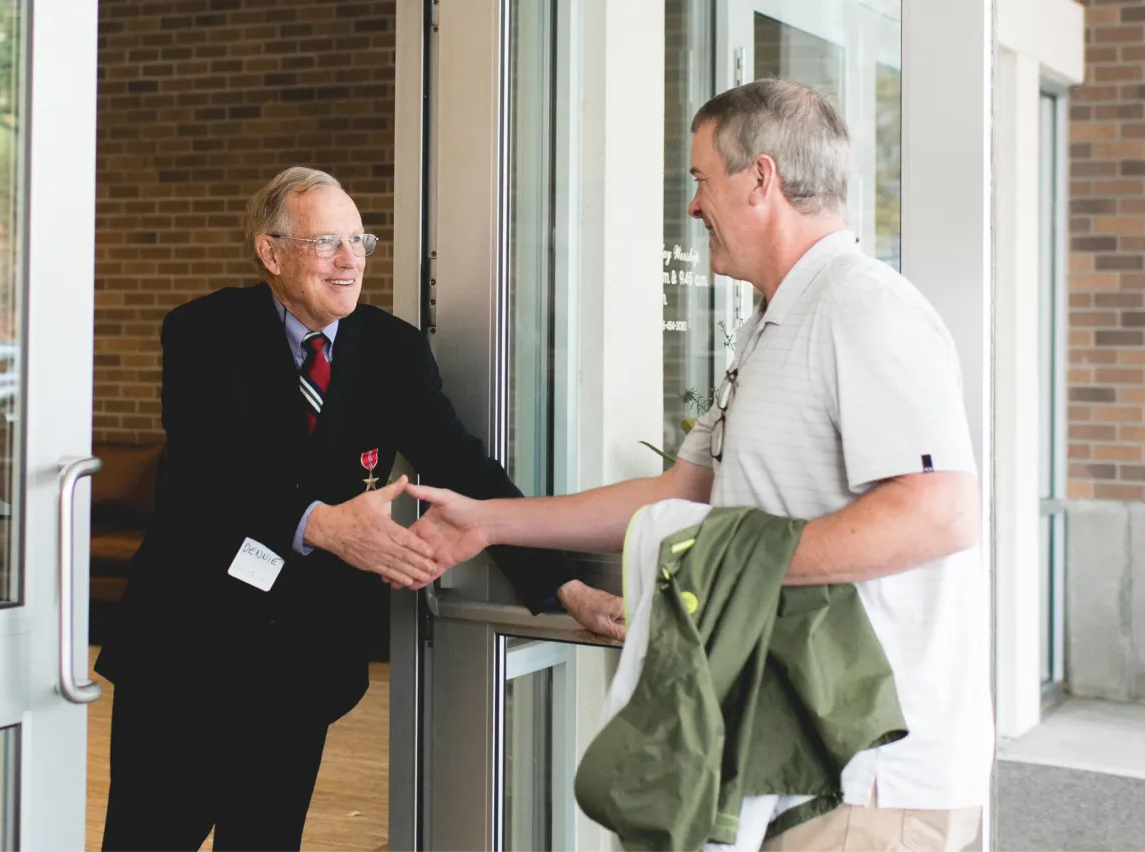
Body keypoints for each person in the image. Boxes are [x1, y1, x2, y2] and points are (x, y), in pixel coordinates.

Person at [410, 79, 992, 851]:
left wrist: (714, 567)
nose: (691, 206)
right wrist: (487, 521)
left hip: (872, 775)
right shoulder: (771, 325)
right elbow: (680, 493)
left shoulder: (864, 307)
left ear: (761, 179)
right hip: (787, 757)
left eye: (699, 179)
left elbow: (939, 512)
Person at [94, 166, 624, 851]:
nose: (351, 262)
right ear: (271, 252)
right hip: (185, 656)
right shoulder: (202, 333)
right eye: (326, 244)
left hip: (297, 665)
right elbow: (199, 484)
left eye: (359, 241)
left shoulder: (391, 349)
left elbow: (464, 466)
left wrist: (565, 585)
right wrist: (320, 523)